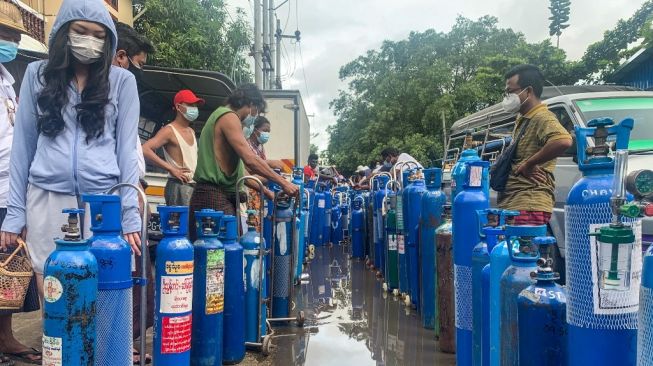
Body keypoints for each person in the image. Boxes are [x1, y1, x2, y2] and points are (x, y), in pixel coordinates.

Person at [0, 0, 141, 324]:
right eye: (80, 31)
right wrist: (15, 212)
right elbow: (23, 146)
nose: (89, 40)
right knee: (55, 289)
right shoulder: (37, 74)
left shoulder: (122, 83)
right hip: (47, 197)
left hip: (103, 201)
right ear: (64, 33)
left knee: (104, 291)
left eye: (98, 34)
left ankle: (102, 357)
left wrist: (130, 212)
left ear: (108, 41)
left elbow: (126, 153)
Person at [188, 83, 298, 241]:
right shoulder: (229, 117)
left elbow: (243, 172)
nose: (254, 116)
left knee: (224, 254)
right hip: (213, 197)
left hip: (215, 196)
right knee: (219, 258)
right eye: (256, 111)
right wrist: (284, 183)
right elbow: (251, 160)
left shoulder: (221, 116)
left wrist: (267, 193)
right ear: (251, 104)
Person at [111, 21, 155, 365]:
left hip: (129, 197)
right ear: (121, 56)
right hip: (114, 200)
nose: (135, 70)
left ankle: (122, 342)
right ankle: (115, 343)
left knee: (136, 278)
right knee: (121, 277)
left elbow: (131, 149)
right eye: (137, 63)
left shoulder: (123, 90)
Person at [0, 3, 41, 365]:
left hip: (10, 191)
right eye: (5, 35)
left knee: (9, 271)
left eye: (14, 36)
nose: (11, 42)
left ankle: (6, 337)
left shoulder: (8, 82)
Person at [496, 64, 572, 225]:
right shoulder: (524, 118)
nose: (507, 97)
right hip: (515, 202)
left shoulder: (542, 117)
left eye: (510, 92)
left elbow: (563, 140)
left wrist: (530, 164)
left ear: (528, 91)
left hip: (529, 203)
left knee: (522, 249)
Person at [142, 89, 201, 206]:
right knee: (179, 223)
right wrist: (171, 169)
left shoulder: (191, 131)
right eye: (190, 104)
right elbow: (145, 149)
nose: (194, 108)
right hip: (178, 185)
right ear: (178, 107)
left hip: (192, 185)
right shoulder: (169, 130)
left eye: (195, 105)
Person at [244, 115, 274, 231]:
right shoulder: (246, 145)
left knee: (260, 225)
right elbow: (247, 172)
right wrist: (267, 174)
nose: (267, 134)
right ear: (255, 130)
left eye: (268, 131)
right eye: (265, 130)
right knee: (250, 224)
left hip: (260, 192)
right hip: (249, 190)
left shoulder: (261, 147)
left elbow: (263, 169)